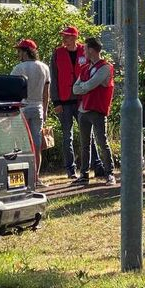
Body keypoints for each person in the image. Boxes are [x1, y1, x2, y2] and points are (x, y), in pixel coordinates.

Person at [50, 26, 103, 180]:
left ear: (74, 37)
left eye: (67, 36)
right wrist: (56, 101)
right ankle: (70, 169)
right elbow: (54, 79)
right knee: (68, 137)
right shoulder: (57, 53)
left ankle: (97, 165)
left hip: (82, 100)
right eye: (63, 37)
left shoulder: (84, 51)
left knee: (89, 135)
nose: (64, 39)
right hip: (64, 101)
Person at [70, 37, 116, 185]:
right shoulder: (85, 69)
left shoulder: (105, 67)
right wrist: (84, 86)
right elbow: (75, 88)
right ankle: (84, 174)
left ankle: (110, 173)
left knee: (102, 142)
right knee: (84, 144)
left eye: (85, 49)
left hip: (97, 110)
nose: (83, 52)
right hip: (83, 110)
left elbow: (91, 84)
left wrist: (83, 86)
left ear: (91, 50)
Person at [10, 39, 51, 187]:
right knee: (36, 144)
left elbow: (12, 92)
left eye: (20, 51)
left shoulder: (18, 69)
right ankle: (36, 178)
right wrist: (45, 110)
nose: (18, 54)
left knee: (21, 144)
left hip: (22, 108)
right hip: (38, 107)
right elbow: (47, 93)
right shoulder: (44, 67)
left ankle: (23, 178)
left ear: (26, 52)